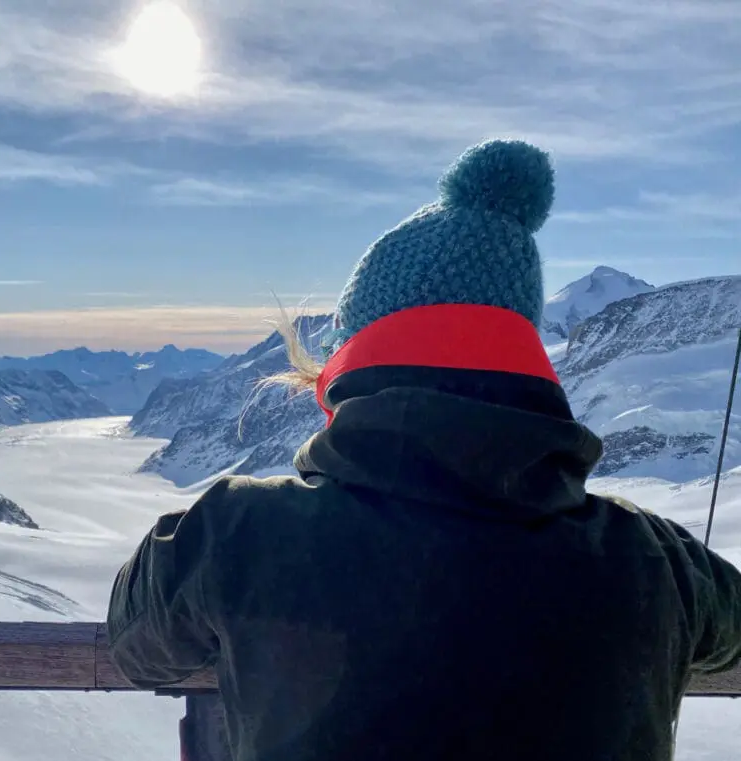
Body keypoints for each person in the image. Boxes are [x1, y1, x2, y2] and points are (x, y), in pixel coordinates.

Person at [105, 139, 741, 761]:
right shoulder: (659, 562)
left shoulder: (239, 534)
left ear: (356, 365)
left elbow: (137, 644)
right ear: (528, 364)